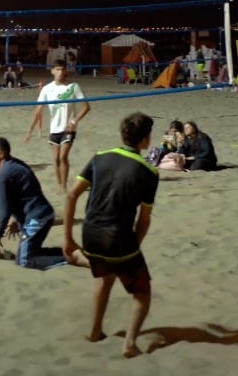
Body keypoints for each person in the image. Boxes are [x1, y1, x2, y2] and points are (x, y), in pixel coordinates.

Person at [62, 112, 159, 359]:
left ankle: (95, 332)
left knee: (105, 277)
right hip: (117, 237)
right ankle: (129, 344)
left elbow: (71, 195)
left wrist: (67, 239)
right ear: (145, 140)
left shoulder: (99, 158)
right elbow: (144, 220)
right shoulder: (149, 172)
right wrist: (133, 249)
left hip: (90, 233)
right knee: (142, 291)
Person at [0, 136, 68, 269]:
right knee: (31, 252)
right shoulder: (15, 164)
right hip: (43, 214)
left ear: (1, 154)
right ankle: (69, 252)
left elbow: (4, 211)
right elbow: (24, 193)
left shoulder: (4, 174)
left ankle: (71, 258)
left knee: (24, 260)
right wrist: (16, 220)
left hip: (37, 218)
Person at [25, 59, 91, 191]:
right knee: (55, 159)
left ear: (66, 71)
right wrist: (30, 130)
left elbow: (86, 107)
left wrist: (74, 121)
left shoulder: (72, 87)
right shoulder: (46, 89)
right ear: (52, 71)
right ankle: (59, 183)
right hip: (54, 128)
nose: (60, 72)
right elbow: (38, 111)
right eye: (58, 69)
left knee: (63, 157)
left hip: (68, 128)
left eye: (62, 69)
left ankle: (63, 186)